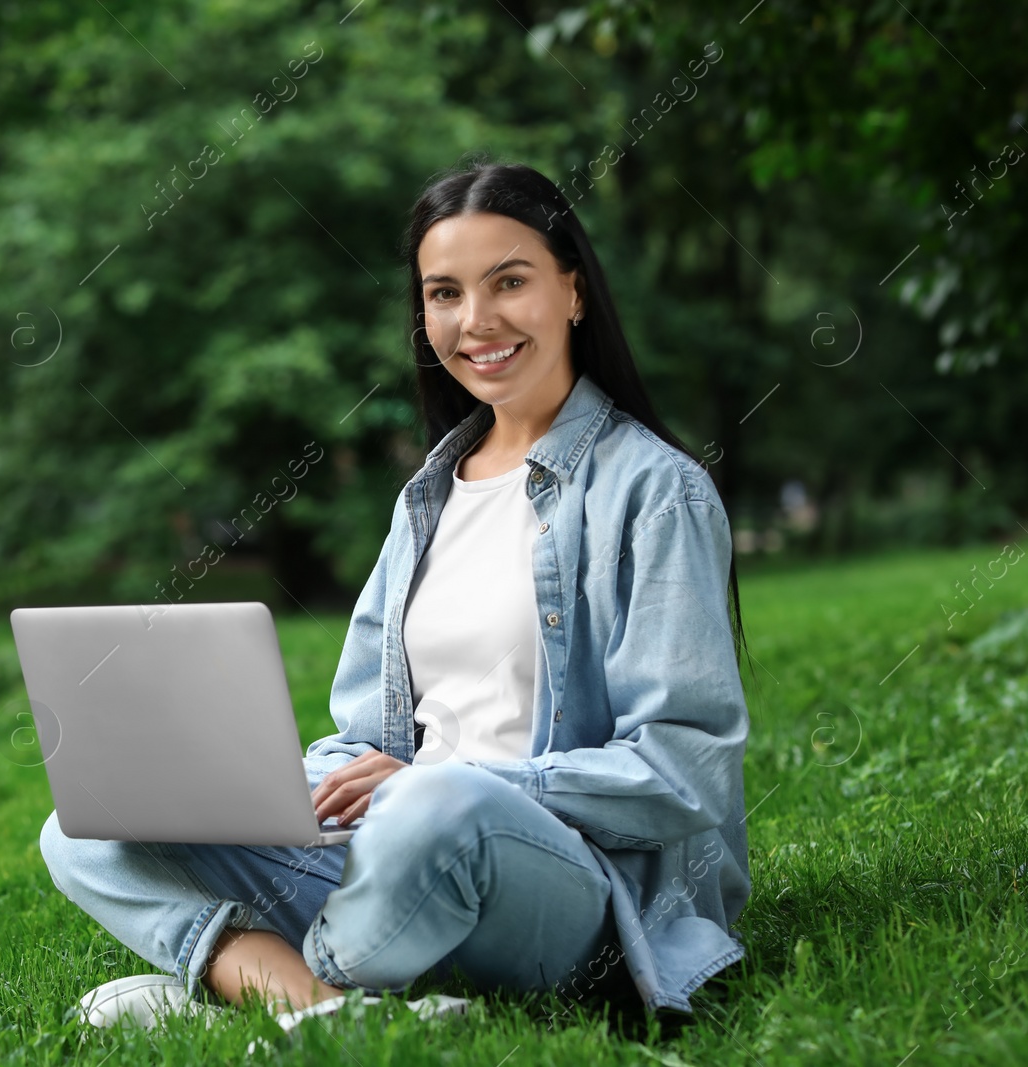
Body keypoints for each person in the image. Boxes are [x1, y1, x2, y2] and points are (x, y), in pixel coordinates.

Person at [38, 157, 753, 1033]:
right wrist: (258, 794)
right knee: (87, 828)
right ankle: (327, 1009)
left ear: (573, 291)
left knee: (436, 803)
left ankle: (255, 987)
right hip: (402, 855)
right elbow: (364, 745)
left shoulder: (654, 490)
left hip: (573, 889)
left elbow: (683, 773)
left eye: (509, 282)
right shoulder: (429, 496)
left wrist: (443, 778)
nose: (475, 320)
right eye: (444, 293)